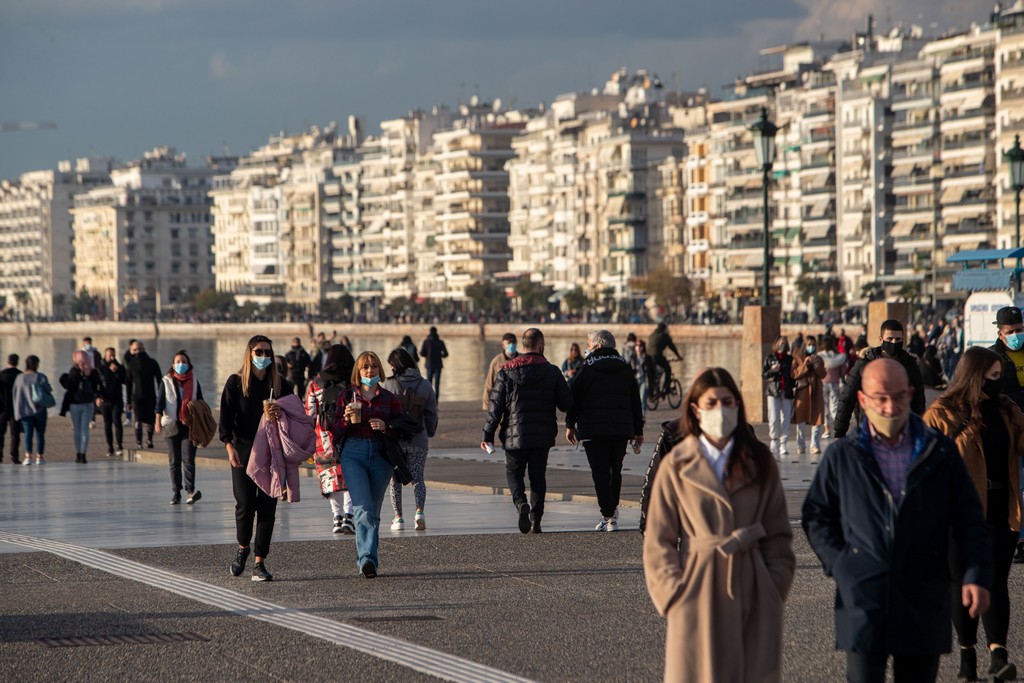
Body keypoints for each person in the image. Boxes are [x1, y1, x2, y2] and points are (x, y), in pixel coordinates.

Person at [803, 359, 993, 683]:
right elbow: (816, 515)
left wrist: (975, 573)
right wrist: (842, 564)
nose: (890, 407)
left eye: (899, 397)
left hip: (924, 596)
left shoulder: (940, 452)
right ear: (862, 400)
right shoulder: (843, 456)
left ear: (911, 394)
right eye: (880, 397)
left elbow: (969, 519)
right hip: (864, 598)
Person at [643, 367, 795, 682]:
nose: (720, 410)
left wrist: (772, 586)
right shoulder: (677, 463)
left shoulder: (760, 459)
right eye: (711, 403)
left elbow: (779, 534)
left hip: (753, 587)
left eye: (727, 402)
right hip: (697, 589)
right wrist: (673, 596)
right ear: (696, 410)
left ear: (737, 406)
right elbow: (659, 540)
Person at [923, 347, 1023, 681]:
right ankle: (968, 657)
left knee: (996, 582)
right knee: (961, 583)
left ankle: (999, 654)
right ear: (974, 375)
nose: (999, 382)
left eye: (1001, 375)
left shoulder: (1007, 411)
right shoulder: (943, 412)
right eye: (993, 376)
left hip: (1001, 508)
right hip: (958, 513)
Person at [482, 328, 571, 534]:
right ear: (541, 346)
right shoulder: (552, 371)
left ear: (523, 347)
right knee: (538, 476)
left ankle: (521, 502)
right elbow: (566, 404)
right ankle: (537, 519)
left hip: (514, 435)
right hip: (542, 435)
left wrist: (487, 434)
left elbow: (495, 406)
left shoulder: (506, 371)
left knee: (514, 472)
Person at [219, 335, 293, 582]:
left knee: (268, 507)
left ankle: (260, 561)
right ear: (249, 355)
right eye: (258, 352)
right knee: (245, 504)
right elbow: (226, 420)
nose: (263, 357)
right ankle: (243, 548)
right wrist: (229, 448)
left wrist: (280, 412)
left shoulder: (281, 385)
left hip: (272, 452)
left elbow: (296, 414)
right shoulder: (235, 383)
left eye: (267, 352)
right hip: (243, 449)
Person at [331, 351, 405, 578]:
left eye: (373, 366)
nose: (369, 371)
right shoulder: (347, 396)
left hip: (381, 454)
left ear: (380, 370)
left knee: (373, 511)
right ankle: (367, 560)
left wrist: (385, 426)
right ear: (358, 372)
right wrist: (344, 419)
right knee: (361, 507)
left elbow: (402, 428)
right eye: (365, 367)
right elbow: (334, 430)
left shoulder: (389, 398)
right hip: (354, 453)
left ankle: (368, 555)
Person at [564, 330, 644, 532]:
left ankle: (608, 514)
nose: (587, 348)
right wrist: (638, 430)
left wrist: (569, 424)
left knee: (600, 473)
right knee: (614, 470)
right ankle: (611, 514)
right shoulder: (625, 367)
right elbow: (636, 400)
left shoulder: (586, 367)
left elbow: (574, 398)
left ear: (598, 346)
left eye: (589, 344)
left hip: (593, 429)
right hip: (620, 429)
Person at [832, 320, 926, 439]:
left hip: (902, 433)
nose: (894, 342)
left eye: (898, 339)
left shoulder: (911, 366)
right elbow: (847, 399)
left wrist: (920, 431)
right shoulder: (864, 364)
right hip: (870, 433)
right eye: (890, 338)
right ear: (881, 339)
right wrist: (840, 432)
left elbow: (918, 402)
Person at [383, 348, 438, 532]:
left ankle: (398, 518)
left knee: (395, 480)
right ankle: (419, 513)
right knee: (418, 479)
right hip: (418, 438)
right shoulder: (425, 384)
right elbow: (431, 414)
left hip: (395, 439)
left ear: (395, 366)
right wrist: (429, 432)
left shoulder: (388, 385)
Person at [305, 344, 357, 535]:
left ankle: (336, 518)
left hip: (323, 438)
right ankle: (349, 517)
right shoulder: (352, 382)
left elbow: (309, 414)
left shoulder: (316, 383)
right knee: (350, 475)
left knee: (329, 477)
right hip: (347, 433)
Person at [156, 350, 204, 505]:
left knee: (189, 459)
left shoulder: (194, 381)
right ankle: (176, 493)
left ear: (189, 364)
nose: (181, 364)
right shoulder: (166, 381)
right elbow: (160, 402)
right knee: (174, 461)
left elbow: (201, 402)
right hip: (171, 424)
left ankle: (190, 491)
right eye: (178, 361)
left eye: (183, 361)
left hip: (189, 426)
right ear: (172, 365)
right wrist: (157, 421)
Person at [637, 417, 684, 535]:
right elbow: (654, 483)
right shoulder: (674, 433)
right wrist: (647, 525)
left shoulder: (736, 437)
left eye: (727, 402)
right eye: (711, 402)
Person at [59, 350, 102, 464]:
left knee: (80, 429)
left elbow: (69, 387)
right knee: (82, 430)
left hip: (80, 404)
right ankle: (81, 454)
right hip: (82, 404)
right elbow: (96, 387)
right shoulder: (87, 372)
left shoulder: (80, 372)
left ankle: (80, 453)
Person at [13, 355, 51, 466]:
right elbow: (48, 390)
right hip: (40, 410)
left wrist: (17, 411)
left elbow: (16, 395)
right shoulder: (41, 377)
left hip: (25, 411)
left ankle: (28, 456)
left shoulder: (20, 378)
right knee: (40, 434)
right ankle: (40, 456)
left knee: (28, 434)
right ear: (37, 364)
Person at [792, 337, 826, 457]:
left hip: (816, 390)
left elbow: (823, 374)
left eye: (813, 345)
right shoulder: (797, 359)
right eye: (809, 344)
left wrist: (816, 365)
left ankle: (815, 445)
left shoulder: (819, 358)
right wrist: (805, 365)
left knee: (817, 418)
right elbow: (794, 374)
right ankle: (800, 445)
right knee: (801, 418)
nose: (811, 347)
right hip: (803, 391)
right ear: (805, 346)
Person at [125, 339, 162, 449]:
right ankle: (139, 442)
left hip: (150, 395)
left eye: (140, 349)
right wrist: (128, 401)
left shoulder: (152, 362)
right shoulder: (131, 365)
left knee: (150, 419)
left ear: (144, 349)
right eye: (135, 350)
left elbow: (160, 380)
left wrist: (161, 396)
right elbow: (128, 384)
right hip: (136, 397)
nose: (138, 351)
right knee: (138, 419)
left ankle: (149, 440)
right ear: (132, 351)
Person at [762, 336, 795, 457]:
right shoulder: (770, 358)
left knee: (786, 418)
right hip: (773, 391)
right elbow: (764, 374)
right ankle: (774, 440)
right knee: (774, 417)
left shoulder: (790, 359)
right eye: (780, 343)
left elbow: (794, 374)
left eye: (784, 344)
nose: (782, 346)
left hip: (786, 391)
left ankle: (784, 442)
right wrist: (772, 370)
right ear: (776, 344)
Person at [989, 306, 1024, 408]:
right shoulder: (991, 357)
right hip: (1008, 414)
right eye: (1010, 332)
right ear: (1000, 334)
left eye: (1019, 330)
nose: (1015, 335)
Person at [97, 348, 126, 457]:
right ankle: (110, 447)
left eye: (114, 355)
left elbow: (124, 381)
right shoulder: (100, 368)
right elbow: (98, 384)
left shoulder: (120, 367)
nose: (112, 358)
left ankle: (119, 445)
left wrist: (117, 371)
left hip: (117, 400)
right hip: (105, 401)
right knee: (107, 424)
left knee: (117, 421)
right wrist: (97, 397)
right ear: (105, 356)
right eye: (110, 356)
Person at [818, 336, 847, 439]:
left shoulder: (819, 357)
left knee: (824, 408)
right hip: (834, 384)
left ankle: (826, 430)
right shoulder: (839, 357)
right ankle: (838, 429)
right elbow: (843, 372)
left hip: (822, 384)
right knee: (834, 407)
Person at [482, 332, 518, 410]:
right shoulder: (497, 361)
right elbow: (489, 384)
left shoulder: (522, 359)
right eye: (509, 343)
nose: (511, 346)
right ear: (503, 345)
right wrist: (486, 405)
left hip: (518, 402)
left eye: (513, 343)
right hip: (502, 402)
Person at [647, 321, 682, 394]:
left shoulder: (652, 334)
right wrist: (678, 356)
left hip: (648, 357)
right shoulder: (664, 335)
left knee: (654, 374)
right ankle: (666, 388)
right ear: (664, 328)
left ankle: (653, 392)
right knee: (668, 369)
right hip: (657, 356)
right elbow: (672, 347)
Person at [0, 354, 22, 463]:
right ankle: (14, 456)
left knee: (0, 433)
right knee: (15, 434)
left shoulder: (1, 375)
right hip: (16, 408)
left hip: (2, 408)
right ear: (17, 362)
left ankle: (0, 455)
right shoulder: (20, 375)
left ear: (8, 361)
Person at [419, 326, 448, 400]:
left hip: (429, 364)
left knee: (429, 384)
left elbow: (422, 353)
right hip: (438, 364)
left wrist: (427, 355)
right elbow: (446, 354)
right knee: (437, 384)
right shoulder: (440, 342)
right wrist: (441, 355)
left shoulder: (426, 342)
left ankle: (429, 402)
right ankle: (436, 403)